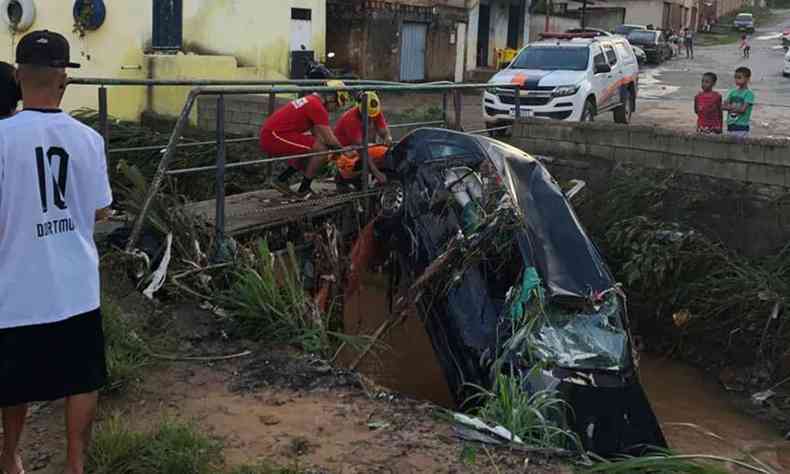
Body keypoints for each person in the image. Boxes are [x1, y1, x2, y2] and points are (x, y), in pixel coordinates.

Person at [0, 30, 113, 474]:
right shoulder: (88, 139)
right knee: (82, 378)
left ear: (19, 76)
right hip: (77, 286)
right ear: (64, 78)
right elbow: (101, 210)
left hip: (16, 285)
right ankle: (74, 465)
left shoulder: (2, 138)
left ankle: (10, 457)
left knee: (13, 383)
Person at [260, 79, 352, 197]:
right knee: (321, 150)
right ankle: (304, 188)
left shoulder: (312, 100)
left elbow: (318, 135)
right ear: (330, 97)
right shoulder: (317, 107)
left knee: (314, 149)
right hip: (274, 136)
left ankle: (282, 179)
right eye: (338, 103)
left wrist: (334, 151)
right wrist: (343, 152)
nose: (336, 108)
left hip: (274, 133)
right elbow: (329, 139)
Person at [333, 91, 391, 190]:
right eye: (368, 115)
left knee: (384, 152)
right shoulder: (351, 119)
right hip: (343, 152)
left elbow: (383, 131)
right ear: (360, 107)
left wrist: (388, 138)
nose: (371, 117)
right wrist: (377, 174)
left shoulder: (373, 110)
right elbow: (362, 150)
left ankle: (372, 177)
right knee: (355, 159)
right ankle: (345, 179)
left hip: (359, 148)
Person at [722, 66, 755, 137]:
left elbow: (743, 110)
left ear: (747, 79)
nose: (736, 80)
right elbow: (724, 106)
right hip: (730, 125)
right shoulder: (732, 92)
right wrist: (730, 107)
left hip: (741, 126)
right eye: (735, 77)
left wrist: (730, 107)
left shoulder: (749, 94)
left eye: (739, 77)